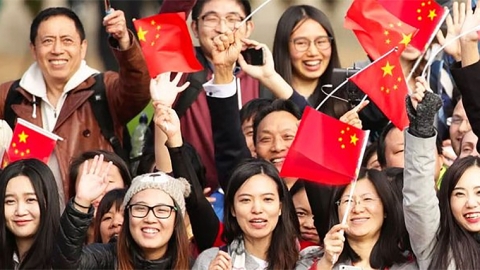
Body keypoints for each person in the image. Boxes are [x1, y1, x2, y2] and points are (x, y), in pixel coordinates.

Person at [0, 6, 150, 206]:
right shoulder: (10, 95)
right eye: (47, 41)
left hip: (93, 223)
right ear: (33, 49)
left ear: (83, 47)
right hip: (30, 221)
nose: (57, 49)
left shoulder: (104, 88)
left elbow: (138, 88)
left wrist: (125, 43)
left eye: (67, 40)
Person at [53, 155, 192, 269]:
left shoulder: (193, 266)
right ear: (128, 216)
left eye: (162, 210)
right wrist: (81, 201)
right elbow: (66, 264)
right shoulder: (106, 258)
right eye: (140, 208)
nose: (150, 218)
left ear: (176, 219)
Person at [193, 159, 303, 270]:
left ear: (280, 207)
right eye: (246, 200)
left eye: (267, 199)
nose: (257, 209)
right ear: (233, 209)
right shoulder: (211, 261)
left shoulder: (303, 260)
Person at [308, 169, 415, 270]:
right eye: (348, 200)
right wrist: (325, 263)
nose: (357, 209)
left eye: (367, 199)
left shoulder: (410, 264)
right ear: (336, 209)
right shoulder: (311, 260)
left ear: (385, 208)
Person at [0, 159, 60, 269]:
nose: (20, 211)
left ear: (49, 201)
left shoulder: (64, 261)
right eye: (10, 201)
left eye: (30, 200)